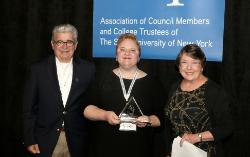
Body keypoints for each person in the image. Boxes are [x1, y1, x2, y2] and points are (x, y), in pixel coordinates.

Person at [83, 33, 165, 157]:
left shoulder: (153, 83)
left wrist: (148, 120)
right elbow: (87, 109)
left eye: (132, 50)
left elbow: (162, 118)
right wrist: (105, 115)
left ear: (138, 56)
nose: (127, 54)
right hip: (104, 149)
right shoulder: (101, 78)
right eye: (122, 50)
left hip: (140, 149)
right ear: (116, 55)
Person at [22, 24, 95, 157]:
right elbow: (29, 108)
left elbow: (93, 104)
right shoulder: (37, 70)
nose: (65, 46)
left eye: (69, 42)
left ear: (76, 44)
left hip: (77, 141)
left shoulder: (88, 69)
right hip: (45, 140)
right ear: (52, 44)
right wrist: (29, 139)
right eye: (60, 42)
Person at [164, 44, 233, 157]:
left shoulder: (214, 92)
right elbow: (168, 126)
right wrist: (169, 151)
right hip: (179, 152)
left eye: (195, 62)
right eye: (184, 62)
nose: (189, 67)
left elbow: (227, 127)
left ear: (202, 66)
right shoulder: (174, 87)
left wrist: (197, 137)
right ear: (179, 66)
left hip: (207, 152)